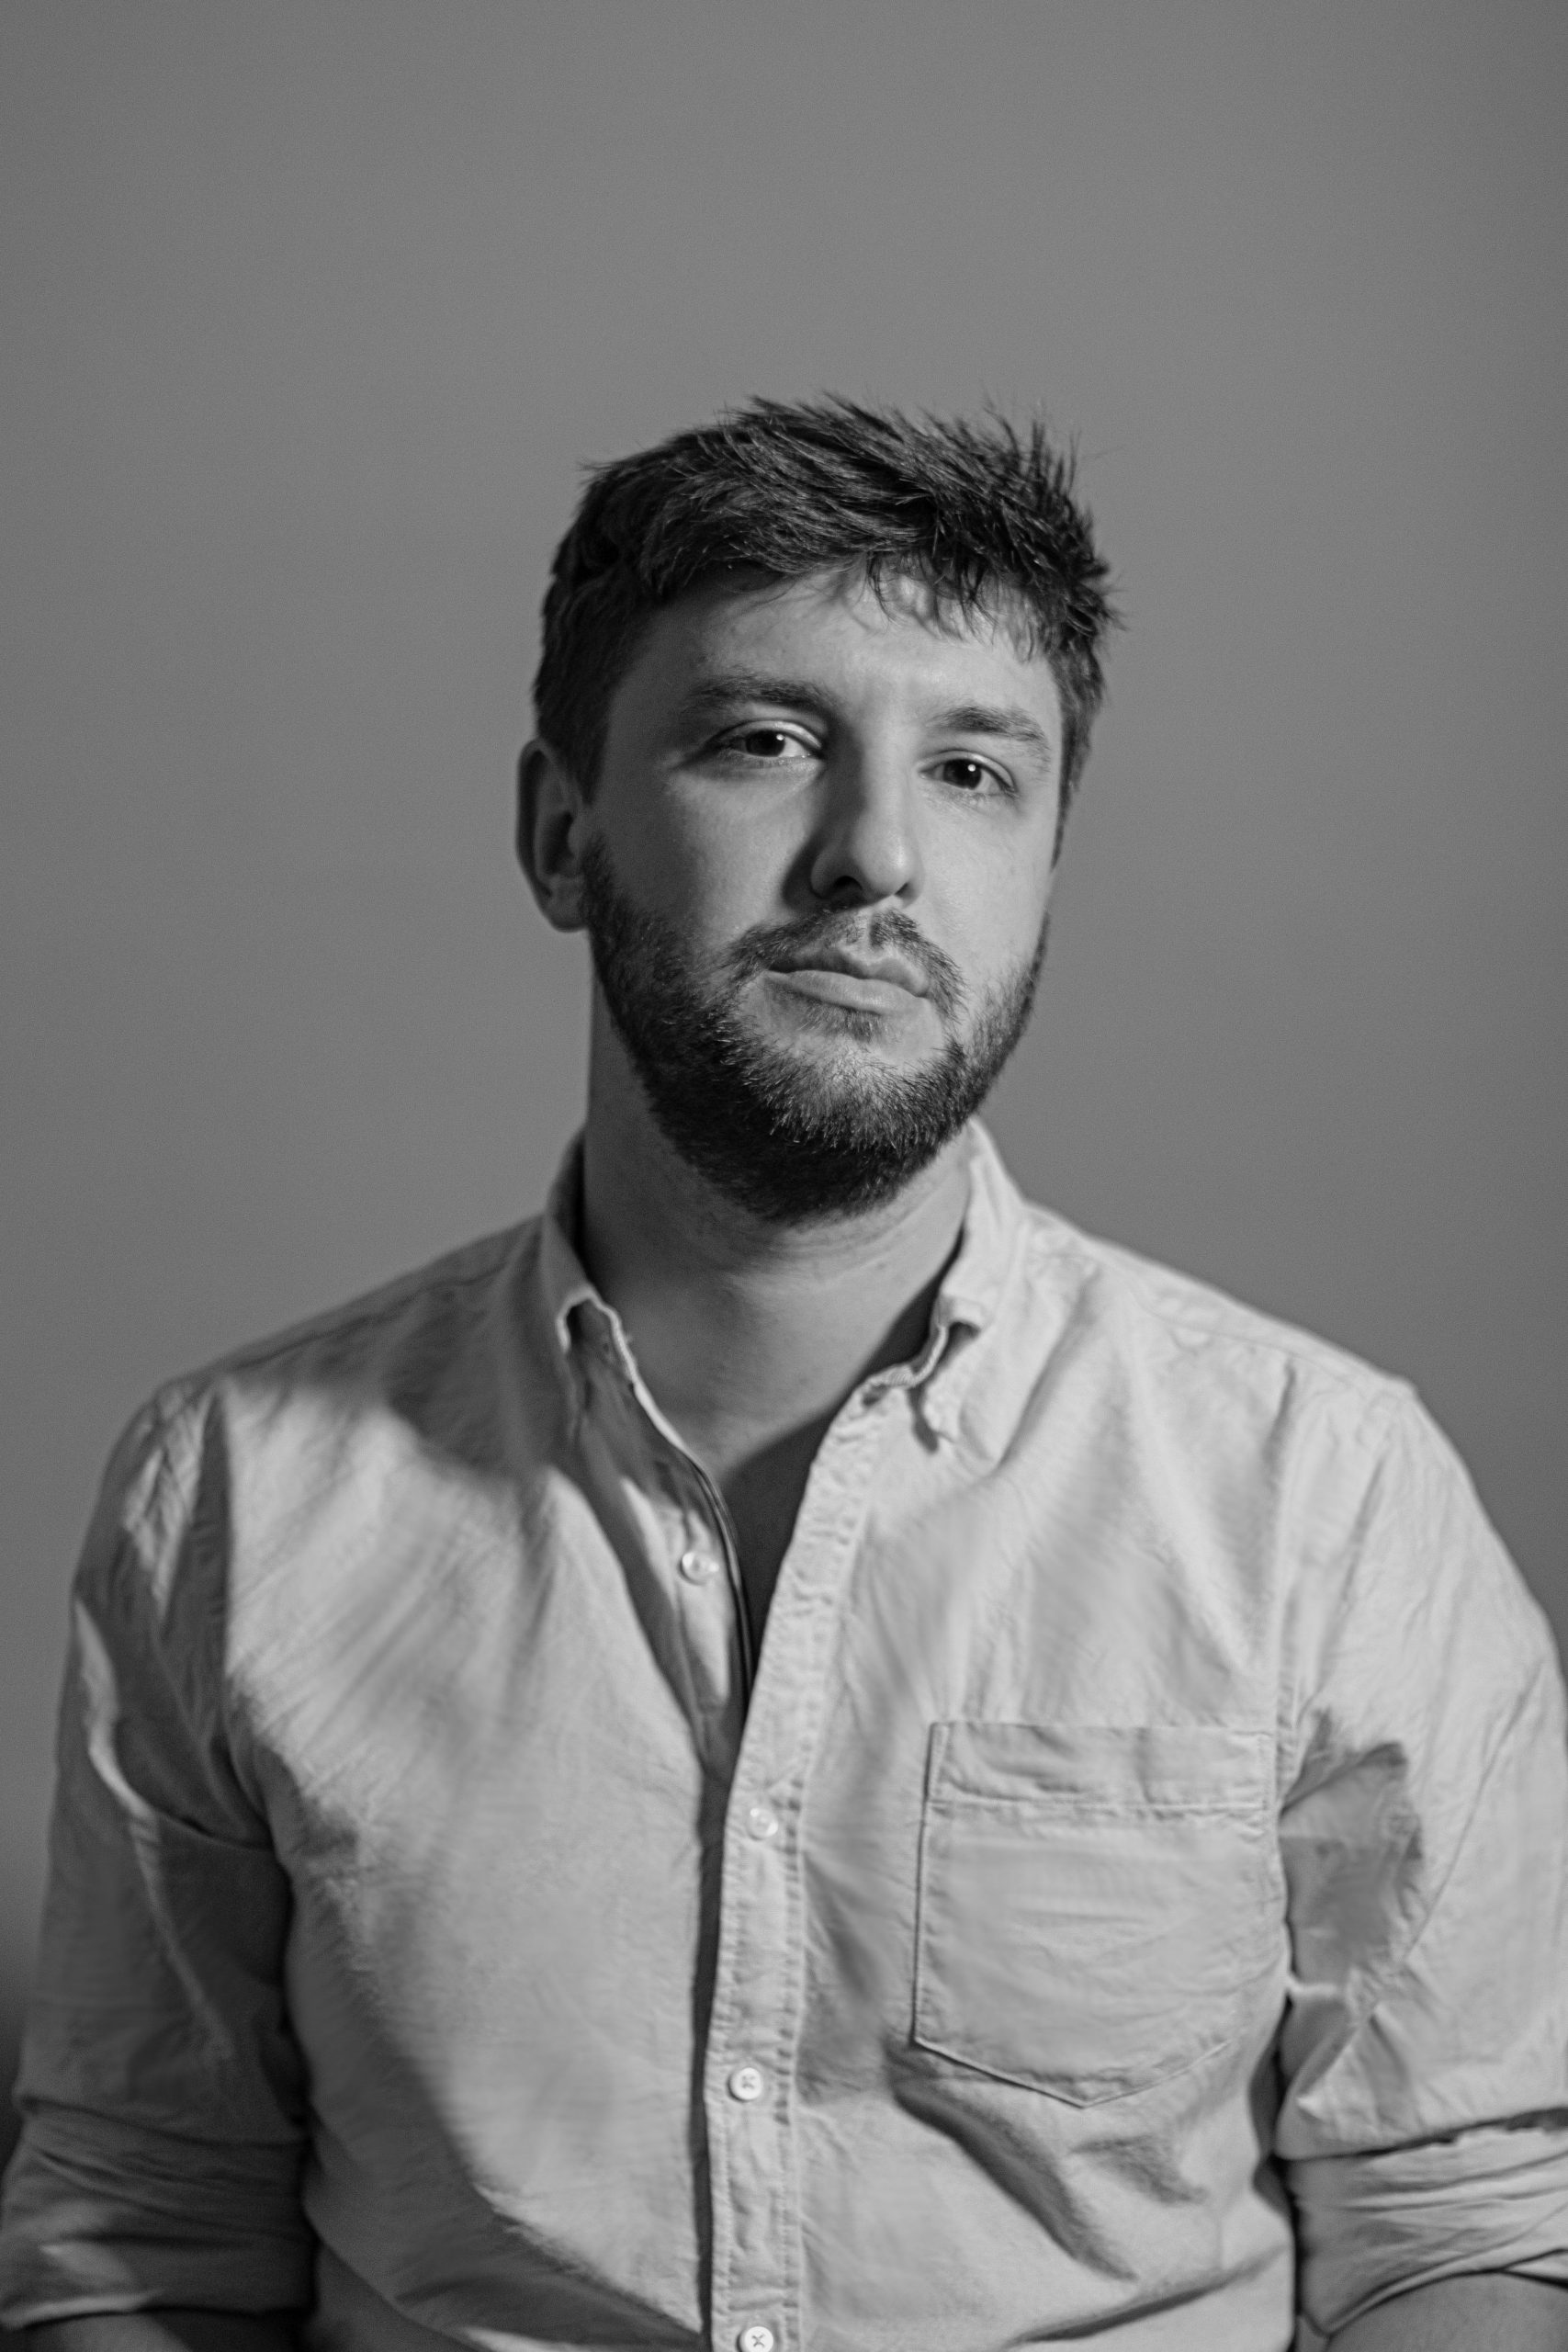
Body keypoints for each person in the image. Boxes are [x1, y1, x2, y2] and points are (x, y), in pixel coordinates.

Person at [1, 399, 1565, 2352]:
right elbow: (144, 2238)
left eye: (973, 771)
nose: (876, 856)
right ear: (560, 832)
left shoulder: (1327, 1493)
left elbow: (1452, 2230)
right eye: (764, 741)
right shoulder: (230, 1495)